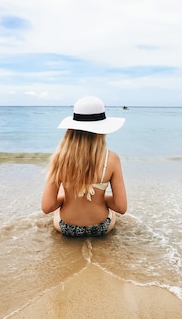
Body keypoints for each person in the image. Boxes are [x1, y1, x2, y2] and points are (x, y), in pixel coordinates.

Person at [42, 96, 127, 237]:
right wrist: (98, 197)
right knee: (111, 213)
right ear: (102, 129)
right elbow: (121, 207)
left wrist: (69, 195)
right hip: (102, 227)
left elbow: (47, 207)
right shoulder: (111, 159)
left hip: (66, 227)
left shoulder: (59, 158)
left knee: (65, 189)